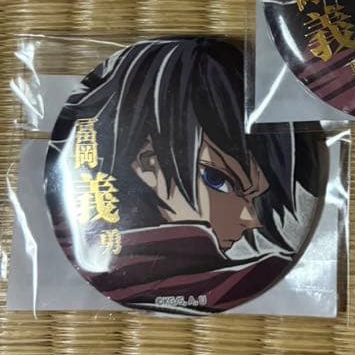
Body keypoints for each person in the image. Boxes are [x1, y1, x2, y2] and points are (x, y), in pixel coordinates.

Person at [45, 38, 327, 313]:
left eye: (253, 196)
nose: (250, 219)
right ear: (148, 164)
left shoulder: (84, 245)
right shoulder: (244, 276)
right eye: (219, 181)